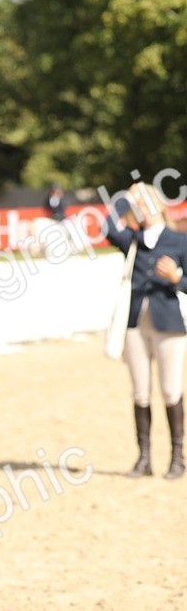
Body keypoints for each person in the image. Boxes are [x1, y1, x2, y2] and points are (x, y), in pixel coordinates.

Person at [104, 181, 187, 479]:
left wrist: (176, 278)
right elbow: (107, 227)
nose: (142, 208)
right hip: (136, 323)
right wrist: (125, 199)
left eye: (146, 202)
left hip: (169, 324)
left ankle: (178, 458)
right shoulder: (132, 239)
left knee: (170, 390)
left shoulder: (180, 240)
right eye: (137, 204)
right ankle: (144, 459)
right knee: (140, 392)